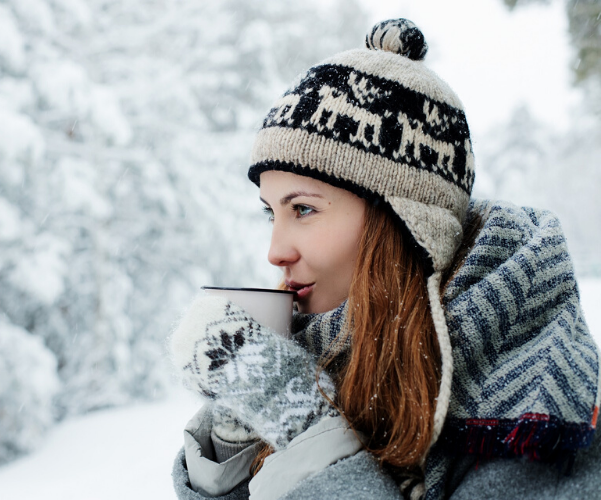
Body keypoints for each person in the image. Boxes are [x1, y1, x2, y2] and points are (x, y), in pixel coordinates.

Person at [169, 19, 600, 500]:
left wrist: (306, 431)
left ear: (405, 222)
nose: (275, 251)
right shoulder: (331, 353)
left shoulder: (534, 406)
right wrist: (237, 431)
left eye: (304, 209)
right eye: (271, 214)